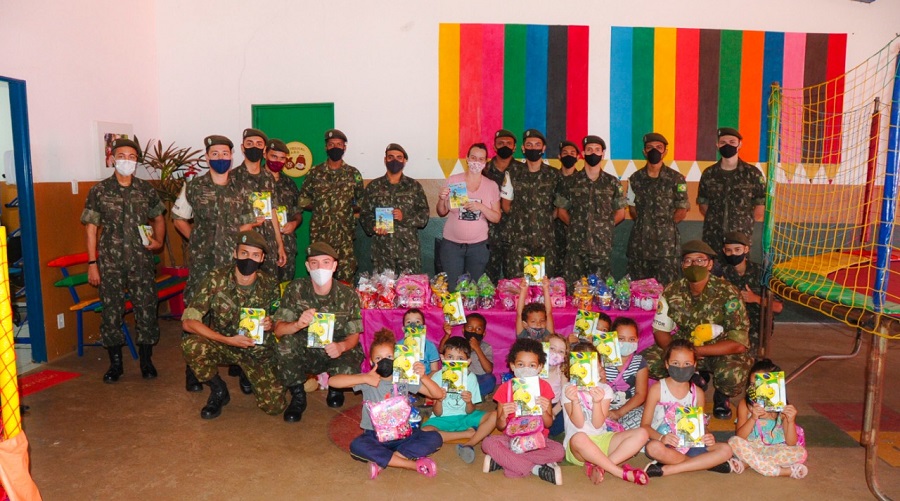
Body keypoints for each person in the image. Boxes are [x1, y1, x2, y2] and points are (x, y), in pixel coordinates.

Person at [173, 135, 256, 393]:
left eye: (225, 153)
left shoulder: (242, 188)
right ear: (207, 157)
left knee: (240, 311)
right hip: (202, 264)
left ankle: (243, 368)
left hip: (234, 263)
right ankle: (194, 370)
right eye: (215, 154)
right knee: (197, 312)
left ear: (232, 155)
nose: (221, 158)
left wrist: (234, 242)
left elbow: (249, 224)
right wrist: (197, 240)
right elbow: (179, 218)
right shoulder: (194, 187)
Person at [81, 137, 166, 382]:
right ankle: (115, 364)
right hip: (110, 263)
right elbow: (91, 229)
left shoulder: (145, 189)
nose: (126, 161)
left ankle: (147, 360)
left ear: (136, 160)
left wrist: (158, 242)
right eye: (121, 156)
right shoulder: (99, 191)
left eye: (131, 157)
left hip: (141, 261)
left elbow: (159, 217)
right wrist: (92, 263)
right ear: (112, 159)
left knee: (147, 310)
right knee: (111, 313)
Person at [181, 230, 286, 419]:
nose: (249, 259)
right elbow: (188, 322)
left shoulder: (270, 283)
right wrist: (227, 340)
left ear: (262, 258)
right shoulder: (215, 279)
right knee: (192, 345)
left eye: (255, 255)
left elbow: (277, 316)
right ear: (235, 253)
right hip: (225, 343)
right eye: (244, 253)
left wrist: (271, 323)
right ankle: (219, 390)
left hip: (257, 350)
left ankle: (247, 372)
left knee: (275, 406)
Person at [642, 240, 752, 420]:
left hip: (720, 350)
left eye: (700, 260)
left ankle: (721, 395)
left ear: (710, 264)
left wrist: (695, 352)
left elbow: (739, 343)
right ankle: (691, 379)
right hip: (683, 349)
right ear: (682, 265)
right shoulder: (671, 291)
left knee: (733, 374)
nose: (694, 265)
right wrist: (677, 354)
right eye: (688, 260)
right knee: (648, 362)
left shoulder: (728, 292)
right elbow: (660, 331)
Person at [331, 328, 443, 479]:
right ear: (371, 362)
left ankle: (386, 460)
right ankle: (411, 464)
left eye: (389, 356)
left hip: (404, 434)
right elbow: (333, 381)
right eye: (378, 358)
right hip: (375, 436)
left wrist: (423, 376)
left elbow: (437, 394)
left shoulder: (403, 378)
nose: (384, 361)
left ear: (396, 358)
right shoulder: (368, 379)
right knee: (357, 445)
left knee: (435, 438)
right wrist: (363, 378)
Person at [272, 242, 364, 422]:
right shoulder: (296, 289)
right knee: (285, 346)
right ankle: (298, 396)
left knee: (352, 357)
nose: (320, 267)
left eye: (326, 262)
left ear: (335, 266)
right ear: (307, 266)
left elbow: (354, 334)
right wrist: (297, 324)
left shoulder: (348, 295)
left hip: (335, 350)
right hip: (305, 348)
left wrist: (341, 346)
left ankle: (335, 388)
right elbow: (278, 331)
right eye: (314, 263)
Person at [641, 340, 742, 477]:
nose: (681, 368)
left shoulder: (698, 393)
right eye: (675, 363)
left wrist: (707, 435)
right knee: (653, 448)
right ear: (666, 364)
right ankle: (706, 464)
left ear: (694, 365)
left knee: (726, 450)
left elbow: (700, 425)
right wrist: (661, 438)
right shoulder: (657, 389)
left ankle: (668, 469)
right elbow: (645, 426)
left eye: (687, 364)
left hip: (692, 444)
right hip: (666, 445)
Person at [562, 341, 650, 486]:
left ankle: (601, 466)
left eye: (592, 365)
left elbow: (597, 425)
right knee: (579, 438)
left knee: (642, 433)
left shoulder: (605, 389)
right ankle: (620, 472)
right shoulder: (568, 389)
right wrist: (575, 399)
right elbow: (578, 423)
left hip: (601, 438)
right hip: (578, 448)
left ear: (599, 366)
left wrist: (597, 402)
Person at [481, 338, 565, 485]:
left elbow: (548, 424)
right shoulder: (505, 388)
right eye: (521, 365)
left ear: (539, 367)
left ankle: (505, 461)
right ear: (512, 366)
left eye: (532, 365)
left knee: (559, 451)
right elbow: (501, 426)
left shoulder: (544, 387)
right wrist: (503, 415)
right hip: (512, 439)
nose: (526, 369)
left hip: (537, 440)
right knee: (487, 443)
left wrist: (545, 410)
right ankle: (536, 469)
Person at [297, 129, 365, 282]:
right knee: (320, 275)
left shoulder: (353, 173)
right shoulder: (315, 173)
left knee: (346, 275)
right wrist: (322, 207)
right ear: (326, 147)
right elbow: (302, 199)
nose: (335, 147)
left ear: (344, 148)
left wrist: (345, 208)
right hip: (320, 234)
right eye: (331, 144)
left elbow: (361, 201)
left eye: (339, 144)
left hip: (345, 235)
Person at [557, 135, 627, 283]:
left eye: (597, 150)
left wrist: (603, 228)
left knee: (600, 293)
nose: (593, 153)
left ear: (603, 154)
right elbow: (561, 211)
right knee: (573, 291)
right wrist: (576, 226)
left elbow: (621, 213)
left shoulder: (612, 182)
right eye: (589, 150)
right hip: (575, 248)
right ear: (583, 154)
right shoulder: (571, 182)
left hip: (601, 249)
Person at [625, 132, 689, 285]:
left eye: (659, 147)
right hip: (640, 246)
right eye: (650, 147)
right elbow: (632, 208)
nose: (654, 151)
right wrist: (646, 225)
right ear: (644, 151)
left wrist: (664, 228)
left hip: (666, 249)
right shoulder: (635, 179)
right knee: (639, 290)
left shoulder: (676, 179)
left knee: (667, 290)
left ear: (665, 151)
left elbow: (681, 209)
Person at [728, 359, 808, 479]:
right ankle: (780, 471)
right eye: (752, 385)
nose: (755, 390)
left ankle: (749, 463)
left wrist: (791, 421)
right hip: (751, 447)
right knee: (733, 442)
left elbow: (791, 443)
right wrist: (753, 418)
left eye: (760, 385)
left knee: (800, 452)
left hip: (775, 449)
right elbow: (740, 436)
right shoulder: (745, 404)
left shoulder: (782, 407)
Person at [422, 336, 497, 464]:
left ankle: (469, 443)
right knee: (424, 433)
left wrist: (468, 402)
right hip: (442, 419)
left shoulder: (471, 377)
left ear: (468, 361)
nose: (454, 362)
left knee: (495, 415)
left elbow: (470, 411)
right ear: (443, 358)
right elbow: (438, 413)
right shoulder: (437, 377)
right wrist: (439, 399)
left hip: (465, 417)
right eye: (450, 357)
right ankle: (468, 434)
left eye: (460, 359)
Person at [435, 143, 501, 286]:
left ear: (485, 162)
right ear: (467, 158)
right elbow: (441, 212)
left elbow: (496, 217)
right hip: (451, 246)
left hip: (478, 247)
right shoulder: (454, 181)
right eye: (473, 158)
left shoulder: (491, 185)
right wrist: (441, 199)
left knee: (474, 289)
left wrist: (481, 207)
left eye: (481, 159)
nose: (476, 162)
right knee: (453, 288)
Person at [359, 143, 429, 274]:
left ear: (404, 161)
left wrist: (405, 218)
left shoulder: (414, 186)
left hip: (408, 253)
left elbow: (424, 216)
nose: (394, 160)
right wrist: (373, 227)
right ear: (385, 159)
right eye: (390, 157)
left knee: (408, 291)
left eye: (399, 157)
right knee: (384, 292)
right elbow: (365, 215)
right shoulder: (374, 186)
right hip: (382, 252)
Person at [500, 129, 561, 278]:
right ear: (523, 148)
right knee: (518, 288)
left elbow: (559, 207)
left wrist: (543, 220)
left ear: (544, 148)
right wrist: (521, 220)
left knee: (543, 289)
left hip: (545, 242)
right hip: (519, 242)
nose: (533, 148)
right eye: (529, 144)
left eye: (537, 144)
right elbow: (506, 205)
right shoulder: (513, 172)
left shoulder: (554, 174)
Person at [697, 127, 766, 255]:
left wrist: (744, 224)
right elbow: (703, 205)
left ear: (739, 145)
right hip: (713, 238)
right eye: (723, 142)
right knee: (713, 273)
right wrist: (716, 221)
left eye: (732, 142)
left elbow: (760, 207)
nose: (727, 145)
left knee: (738, 273)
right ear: (717, 145)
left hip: (740, 240)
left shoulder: (752, 174)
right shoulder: (709, 174)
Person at [716, 231, 782, 358]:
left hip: (757, 327)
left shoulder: (762, 273)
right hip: (729, 323)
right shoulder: (722, 274)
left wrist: (756, 299)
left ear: (746, 249)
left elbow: (778, 307)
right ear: (724, 251)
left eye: (737, 249)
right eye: (729, 250)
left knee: (746, 358)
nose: (733, 254)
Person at [230, 128, 287, 274]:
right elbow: (229, 216)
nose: (254, 147)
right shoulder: (232, 177)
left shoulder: (268, 177)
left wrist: (279, 244)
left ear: (264, 150)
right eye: (249, 143)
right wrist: (249, 222)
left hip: (268, 244)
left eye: (258, 143)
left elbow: (273, 211)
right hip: (245, 245)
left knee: (269, 286)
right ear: (242, 148)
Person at [482, 129, 524, 280]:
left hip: (516, 236)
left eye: (508, 144)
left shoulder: (522, 170)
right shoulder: (483, 170)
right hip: (488, 234)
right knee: (486, 282)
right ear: (494, 147)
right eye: (500, 143)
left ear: (514, 147)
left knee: (516, 282)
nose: (504, 146)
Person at [264, 138, 302, 282]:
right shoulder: (255, 181)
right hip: (263, 246)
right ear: (265, 154)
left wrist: (294, 224)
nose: (277, 161)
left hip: (286, 246)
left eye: (282, 158)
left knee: (285, 288)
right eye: (274, 156)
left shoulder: (289, 184)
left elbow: (298, 213)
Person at [604, 317, 648, 430]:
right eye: (621, 339)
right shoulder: (601, 359)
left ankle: (617, 432)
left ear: (638, 339)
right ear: (612, 338)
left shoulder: (639, 362)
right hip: (602, 409)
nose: (626, 343)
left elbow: (641, 395)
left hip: (628, 410)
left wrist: (619, 413)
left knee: (644, 417)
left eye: (632, 339)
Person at [440, 312, 495, 396]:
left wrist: (477, 348)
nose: (473, 331)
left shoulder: (486, 347)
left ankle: (473, 395)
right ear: (463, 330)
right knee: (440, 377)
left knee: (490, 380)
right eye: (470, 327)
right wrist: (447, 335)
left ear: (483, 333)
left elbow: (488, 370)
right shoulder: (459, 343)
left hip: (478, 378)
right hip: (459, 375)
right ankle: (469, 394)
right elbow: (441, 350)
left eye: (478, 329)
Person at [553, 140, 580, 267]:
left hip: (575, 238)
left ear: (578, 157)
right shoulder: (550, 177)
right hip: (550, 235)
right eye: (565, 153)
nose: (568, 156)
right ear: (559, 157)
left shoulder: (583, 180)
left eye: (572, 153)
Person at [544, 333, 569, 436]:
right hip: (536, 404)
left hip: (555, 404)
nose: (555, 353)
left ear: (565, 356)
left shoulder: (562, 371)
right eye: (552, 348)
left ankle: (544, 433)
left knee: (566, 418)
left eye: (561, 351)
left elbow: (565, 396)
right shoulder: (535, 367)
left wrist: (553, 412)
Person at [402, 308, 440, 375]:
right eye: (408, 322)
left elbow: (434, 371)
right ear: (403, 329)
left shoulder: (430, 346)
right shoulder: (399, 346)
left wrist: (426, 381)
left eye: (417, 322)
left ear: (424, 327)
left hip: (426, 380)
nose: (413, 325)